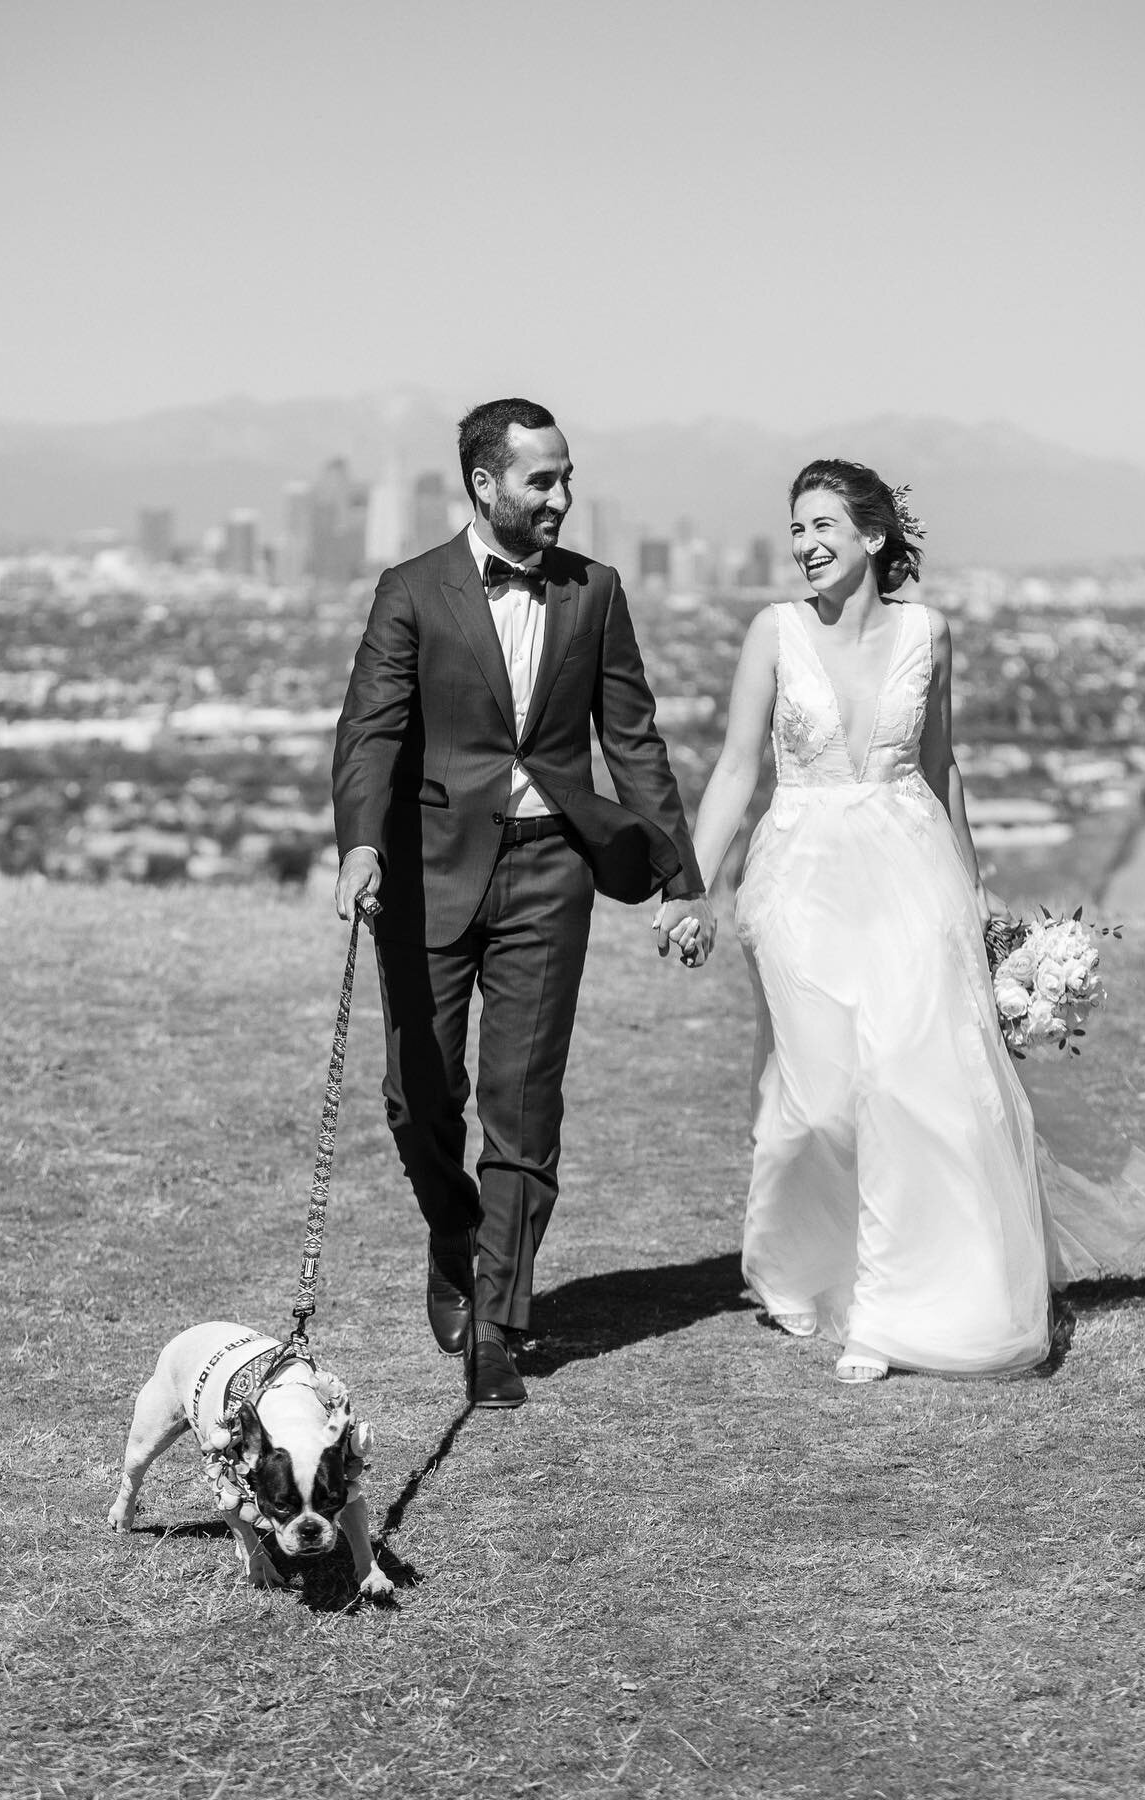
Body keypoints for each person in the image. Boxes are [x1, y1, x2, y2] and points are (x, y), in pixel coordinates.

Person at [671, 459, 1145, 1382]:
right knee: (822, 1099)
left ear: (873, 537)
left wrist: (977, 903)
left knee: (912, 1087)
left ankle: (891, 1310)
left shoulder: (929, 632)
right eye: (795, 528)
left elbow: (942, 771)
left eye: (822, 524)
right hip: (800, 880)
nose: (805, 544)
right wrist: (691, 886)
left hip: (914, 874)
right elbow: (738, 772)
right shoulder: (772, 633)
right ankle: (799, 1262)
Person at [333, 398, 715, 1409]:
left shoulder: (597, 594)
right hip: (426, 872)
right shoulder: (411, 591)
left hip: (553, 869)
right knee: (420, 1098)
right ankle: (453, 1231)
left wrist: (681, 877)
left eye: (566, 478)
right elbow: (370, 733)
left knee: (522, 1102)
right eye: (540, 481)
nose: (561, 498)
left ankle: (500, 1323)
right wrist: (361, 845)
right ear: (485, 485)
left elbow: (632, 739)